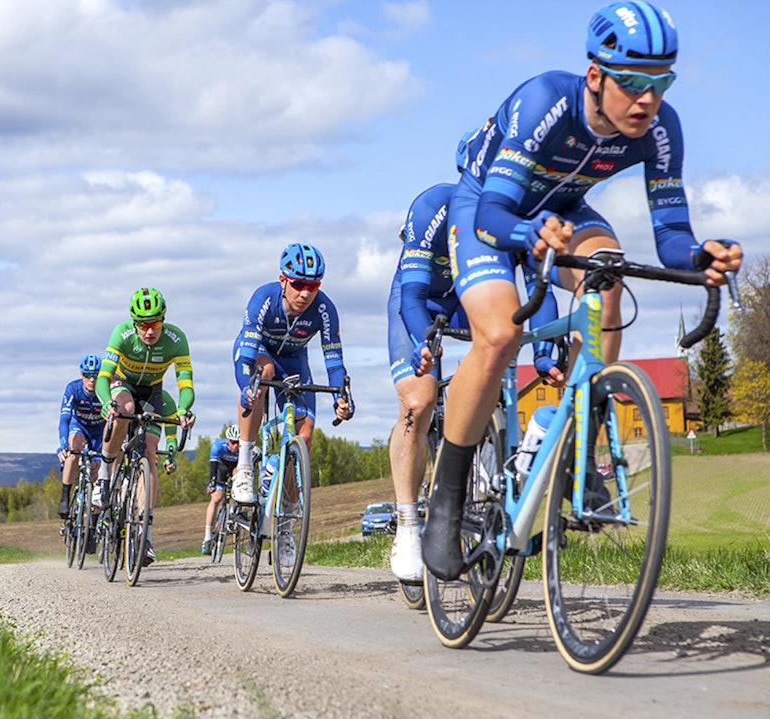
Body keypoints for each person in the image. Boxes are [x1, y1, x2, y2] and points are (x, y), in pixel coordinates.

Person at [423, 2, 743, 581]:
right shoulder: (547, 100)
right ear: (596, 76)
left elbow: (671, 232)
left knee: (609, 276)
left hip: (565, 210)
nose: (648, 99)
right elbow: (493, 215)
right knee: (499, 335)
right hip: (488, 209)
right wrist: (529, 235)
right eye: (635, 83)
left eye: (662, 82)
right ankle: (445, 501)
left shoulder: (660, 127)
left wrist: (701, 256)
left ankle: (574, 440)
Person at [387, 183, 563, 584]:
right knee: (419, 400)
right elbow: (410, 297)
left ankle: (485, 478)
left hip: (472, 296)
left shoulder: (509, 210)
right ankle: (408, 524)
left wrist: (543, 354)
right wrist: (422, 343)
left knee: (498, 359)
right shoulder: (433, 206)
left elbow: (540, 291)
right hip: (422, 302)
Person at [230, 242, 354, 513]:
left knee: (305, 436)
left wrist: (340, 398)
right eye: (299, 284)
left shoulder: (324, 309)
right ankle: (244, 467)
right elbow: (248, 354)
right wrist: (245, 386)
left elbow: (334, 361)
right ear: (283, 280)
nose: (305, 293)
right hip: (259, 352)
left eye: (313, 286)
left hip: (294, 360)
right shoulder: (263, 299)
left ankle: (286, 520)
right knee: (265, 373)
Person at [93, 287, 195, 567]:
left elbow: (185, 384)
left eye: (156, 324)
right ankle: (104, 476)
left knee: (150, 453)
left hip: (153, 391)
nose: (149, 331)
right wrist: (106, 403)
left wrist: (185, 409)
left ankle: (145, 537)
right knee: (123, 411)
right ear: (134, 323)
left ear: (163, 320)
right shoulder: (122, 334)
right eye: (143, 325)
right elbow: (104, 377)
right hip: (123, 384)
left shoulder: (176, 339)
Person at [56, 354, 104, 520]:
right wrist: (63, 444)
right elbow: (64, 419)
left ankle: (91, 516)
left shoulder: (105, 391)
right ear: (81, 375)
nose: (92, 380)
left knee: (97, 469)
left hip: (99, 430)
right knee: (74, 449)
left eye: (96, 375)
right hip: (80, 426)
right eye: (88, 375)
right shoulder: (73, 389)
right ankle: (65, 496)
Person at [201, 425, 240, 555]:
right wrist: (212, 484)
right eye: (233, 442)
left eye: (238, 443)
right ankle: (207, 537)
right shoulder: (218, 446)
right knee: (216, 499)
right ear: (228, 441)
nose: (236, 446)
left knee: (237, 486)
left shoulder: (243, 449)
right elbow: (213, 468)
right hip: (221, 469)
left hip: (235, 468)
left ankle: (232, 514)